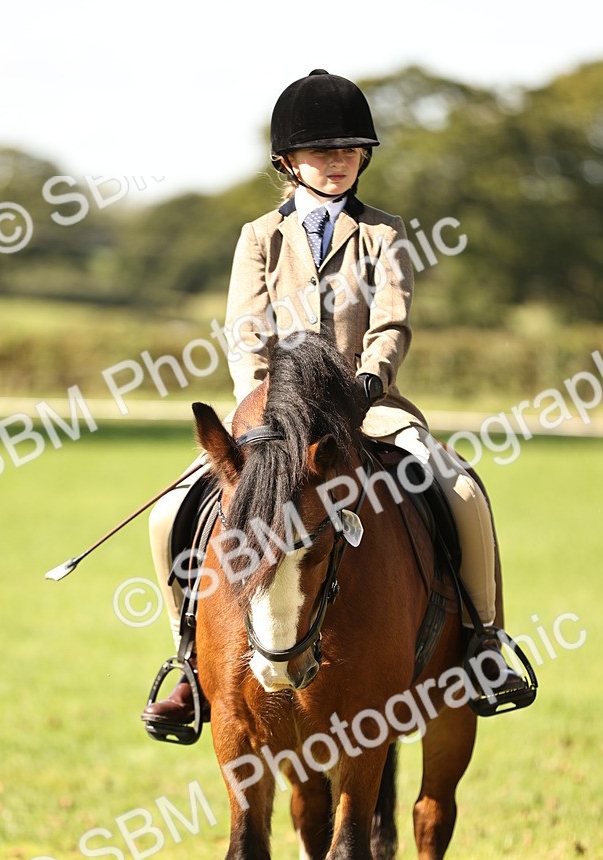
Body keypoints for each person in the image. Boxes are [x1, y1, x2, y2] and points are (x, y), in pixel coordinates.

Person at [143, 69, 531, 729]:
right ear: (289, 162)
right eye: (323, 152)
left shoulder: (383, 232)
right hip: (277, 409)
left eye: (349, 151)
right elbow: (245, 331)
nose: (338, 162)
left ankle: (483, 639)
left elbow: (390, 324)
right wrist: (262, 403)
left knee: (461, 488)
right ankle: (186, 655)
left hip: (367, 403)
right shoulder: (259, 236)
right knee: (171, 509)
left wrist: (368, 383)